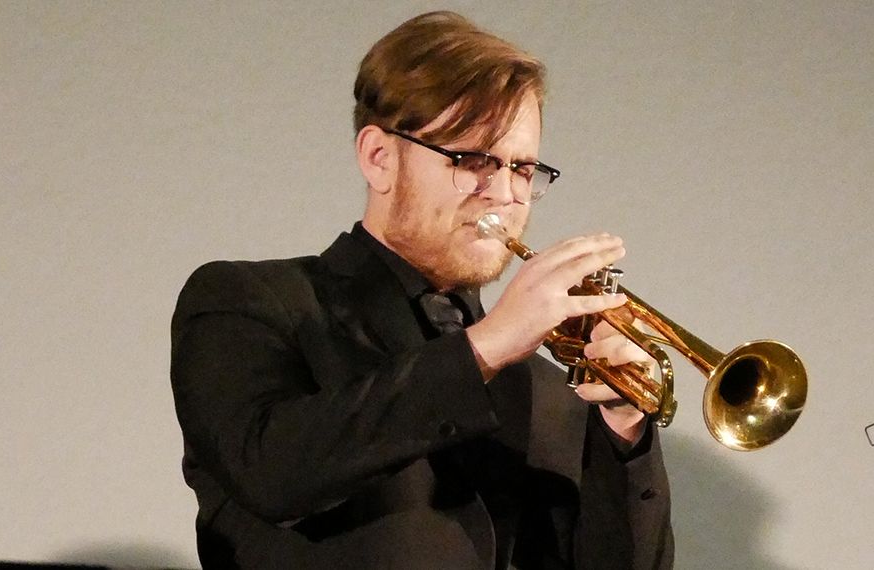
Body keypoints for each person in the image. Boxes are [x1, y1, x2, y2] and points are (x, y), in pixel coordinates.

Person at [170, 10, 673, 569]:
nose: (505, 194)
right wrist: (484, 349)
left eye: (524, 169)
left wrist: (624, 435)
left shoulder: (549, 391)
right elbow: (270, 474)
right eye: (473, 159)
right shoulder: (248, 301)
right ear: (379, 158)